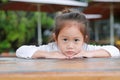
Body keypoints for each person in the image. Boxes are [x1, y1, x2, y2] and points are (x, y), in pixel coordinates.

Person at [16, 9, 120, 59]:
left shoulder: (86, 49)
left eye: (76, 40)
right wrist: (49, 55)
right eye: (65, 39)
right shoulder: (51, 48)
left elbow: (115, 51)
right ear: (56, 38)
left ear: (84, 39)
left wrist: (89, 54)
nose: (70, 46)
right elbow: (20, 50)